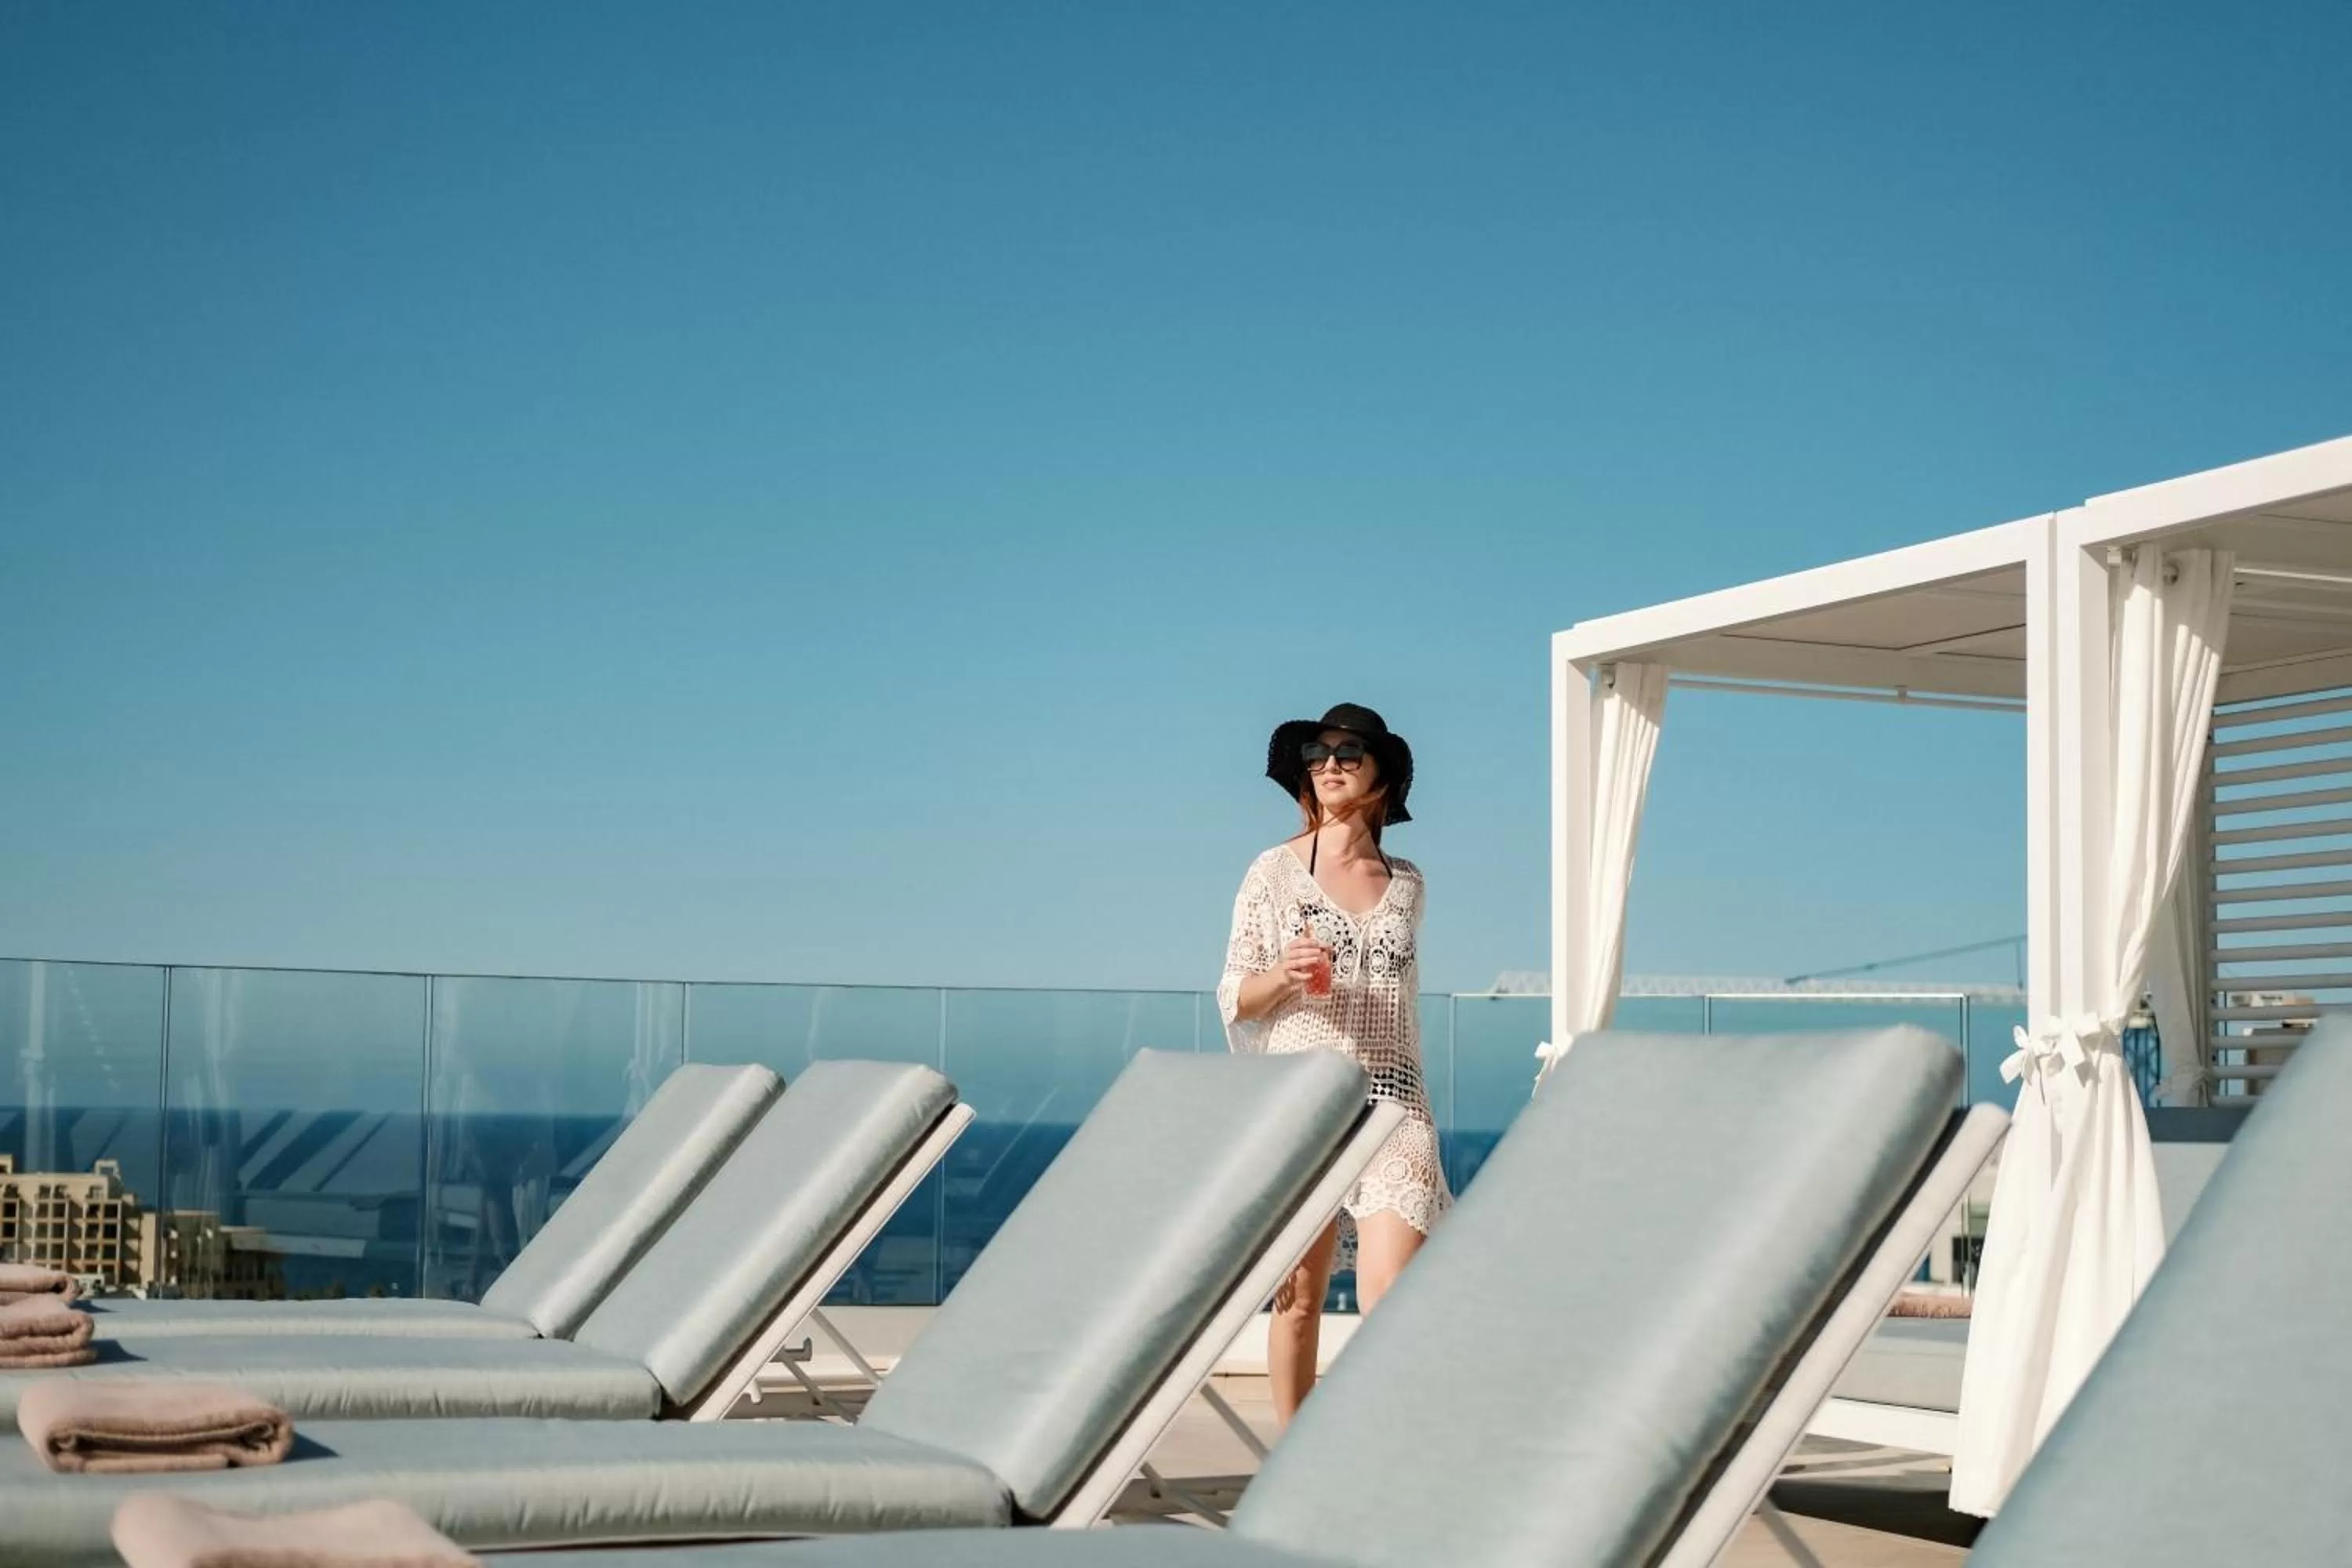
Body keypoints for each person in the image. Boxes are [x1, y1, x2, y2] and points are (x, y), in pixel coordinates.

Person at [1217, 702, 1450, 1426]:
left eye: (1349, 753)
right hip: (1305, 1105)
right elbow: (1236, 997)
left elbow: (1402, 1005)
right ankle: (1295, 1454)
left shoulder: (1408, 882)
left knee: (1393, 1301)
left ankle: (1373, 1449)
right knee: (1300, 1299)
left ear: (1382, 776)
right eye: (1317, 754)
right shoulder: (1273, 873)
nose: (1329, 765)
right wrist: (1284, 974)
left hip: (1395, 1106)